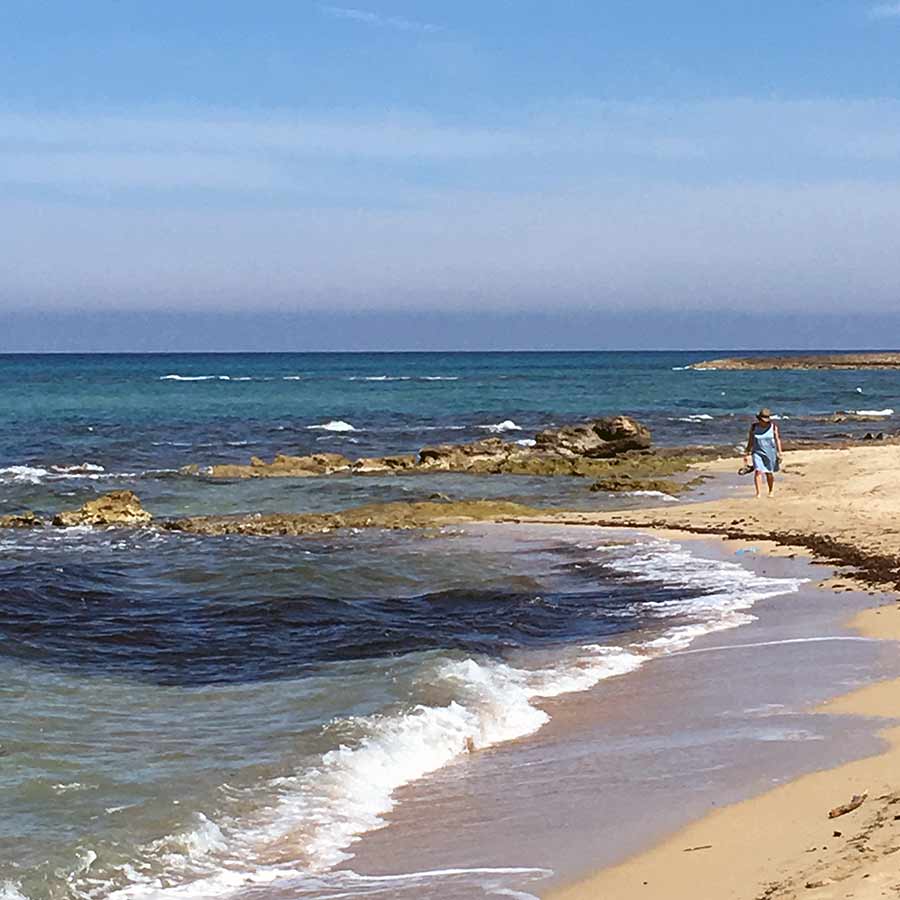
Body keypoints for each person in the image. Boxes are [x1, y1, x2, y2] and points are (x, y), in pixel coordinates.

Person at [743, 408, 783, 498]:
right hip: (757, 452)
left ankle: (771, 490)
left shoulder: (773, 427)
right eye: (762, 420)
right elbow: (751, 440)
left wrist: (780, 452)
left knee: (769, 472)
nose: (764, 422)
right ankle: (758, 493)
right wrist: (747, 451)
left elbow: (777, 439)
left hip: (770, 452)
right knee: (758, 471)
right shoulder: (754, 427)